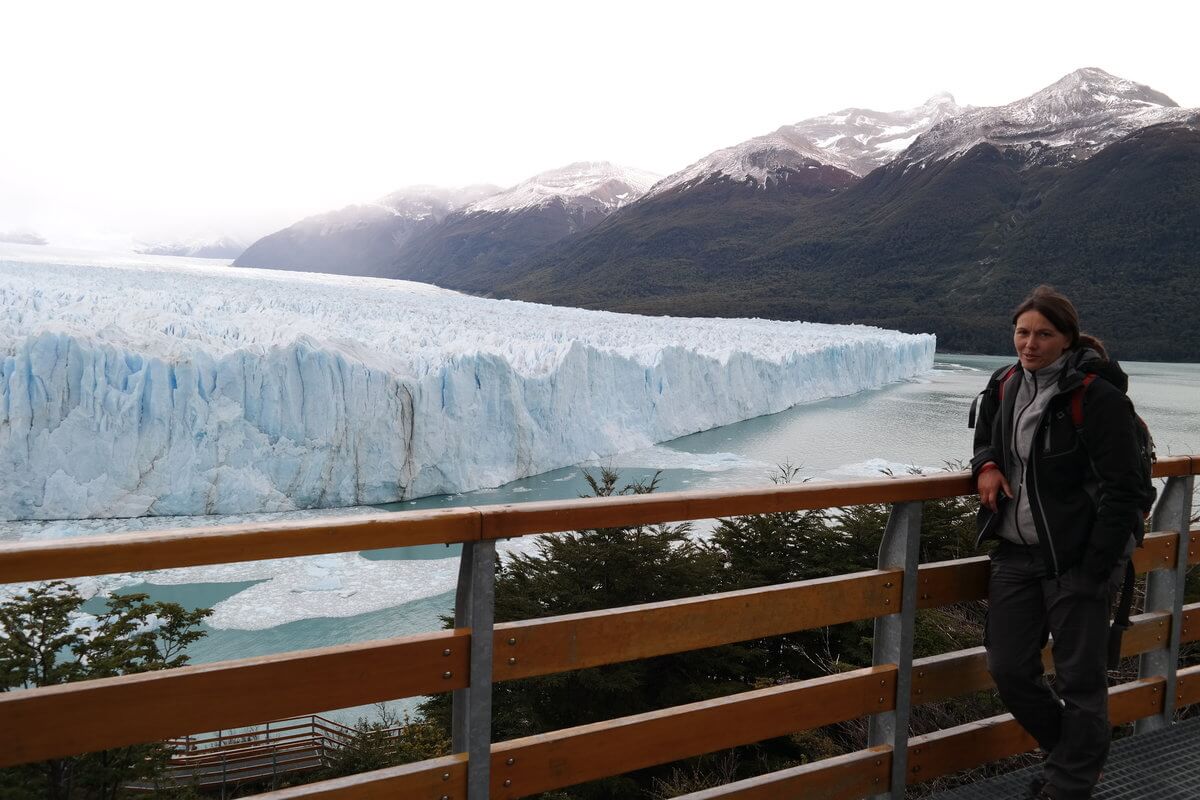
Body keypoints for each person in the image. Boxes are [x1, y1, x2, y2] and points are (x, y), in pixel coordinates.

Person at [969, 286, 1144, 800]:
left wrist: (1093, 567)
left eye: (1043, 334)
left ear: (1067, 339)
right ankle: (1075, 759)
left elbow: (1126, 490)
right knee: (1008, 667)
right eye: (1022, 332)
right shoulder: (1003, 384)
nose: (1030, 343)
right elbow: (985, 435)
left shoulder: (1096, 398)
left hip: (1076, 559)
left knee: (1079, 681)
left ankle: (1069, 785)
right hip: (1016, 554)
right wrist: (987, 464)